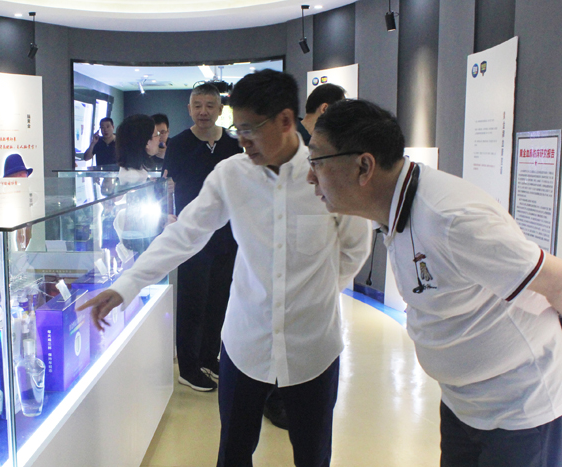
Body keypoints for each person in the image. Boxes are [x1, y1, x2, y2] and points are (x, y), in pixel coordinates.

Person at [79, 70, 371, 466]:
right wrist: (127, 284)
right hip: (245, 341)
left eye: (250, 129)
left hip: (313, 346)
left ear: (286, 121)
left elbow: (354, 248)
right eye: (238, 128)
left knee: (313, 455)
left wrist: (317, 294)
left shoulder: (328, 173)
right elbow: (186, 233)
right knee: (233, 452)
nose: (241, 140)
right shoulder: (232, 175)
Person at [307, 98, 562, 467]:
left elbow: (556, 282)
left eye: (316, 161)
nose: (310, 176)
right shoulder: (396, 210)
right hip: (463, 404)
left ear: (364, 166)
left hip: (521, 411)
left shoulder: (452, 219)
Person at [264, 81, 347, 429]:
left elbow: (353, 243)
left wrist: (324, 287)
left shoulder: (325, 151)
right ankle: (277, 402)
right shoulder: (292, 150)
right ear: (326, 110)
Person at [162, 83, 241, 392]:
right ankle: (189, 366)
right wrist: (169, 216)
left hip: (226, 235)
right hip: (192, 234)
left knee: (219, 300)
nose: (203, 111)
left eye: (210, 105)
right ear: (189, 109)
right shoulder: (179, 144)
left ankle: (209, 357)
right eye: (197, 105)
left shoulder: (233, 145)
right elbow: (167, 186)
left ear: (220, 109)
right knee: (192, 302)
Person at [115, 114, 159, 185]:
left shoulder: (138, 169)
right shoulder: (132, 177)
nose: (159, 138)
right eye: (157, 134)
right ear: (146, 142)